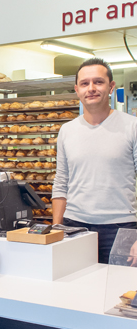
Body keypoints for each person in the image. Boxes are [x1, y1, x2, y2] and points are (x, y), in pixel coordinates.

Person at [53, 58, 137, 263]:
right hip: (74, 227)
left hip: (122, 228)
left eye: (98, 82)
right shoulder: (67, 130)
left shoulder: (132, 126)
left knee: (120, 291)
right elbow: (61, 183)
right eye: (84, 83)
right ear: (77, 89)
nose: (91, 88)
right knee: (77, 291)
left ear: (111, 87)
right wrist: (56, 228)